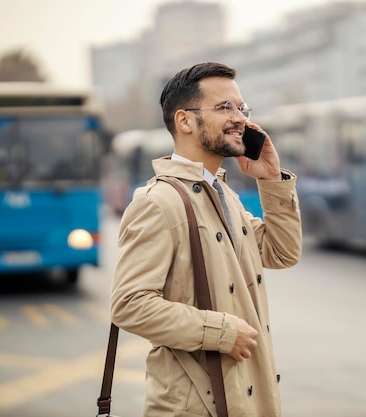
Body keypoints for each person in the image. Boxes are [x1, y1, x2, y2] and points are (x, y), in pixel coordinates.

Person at [110, 62, 302, 417]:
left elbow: (281, 252)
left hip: (245, 397)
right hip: (196, 405)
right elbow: (130, 304)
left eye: (241, 108)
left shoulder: (224, 194)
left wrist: (272, 180)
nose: (240, 118)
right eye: (224, 107)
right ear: (184, 121)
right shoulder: (158, 203)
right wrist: (221, 331)